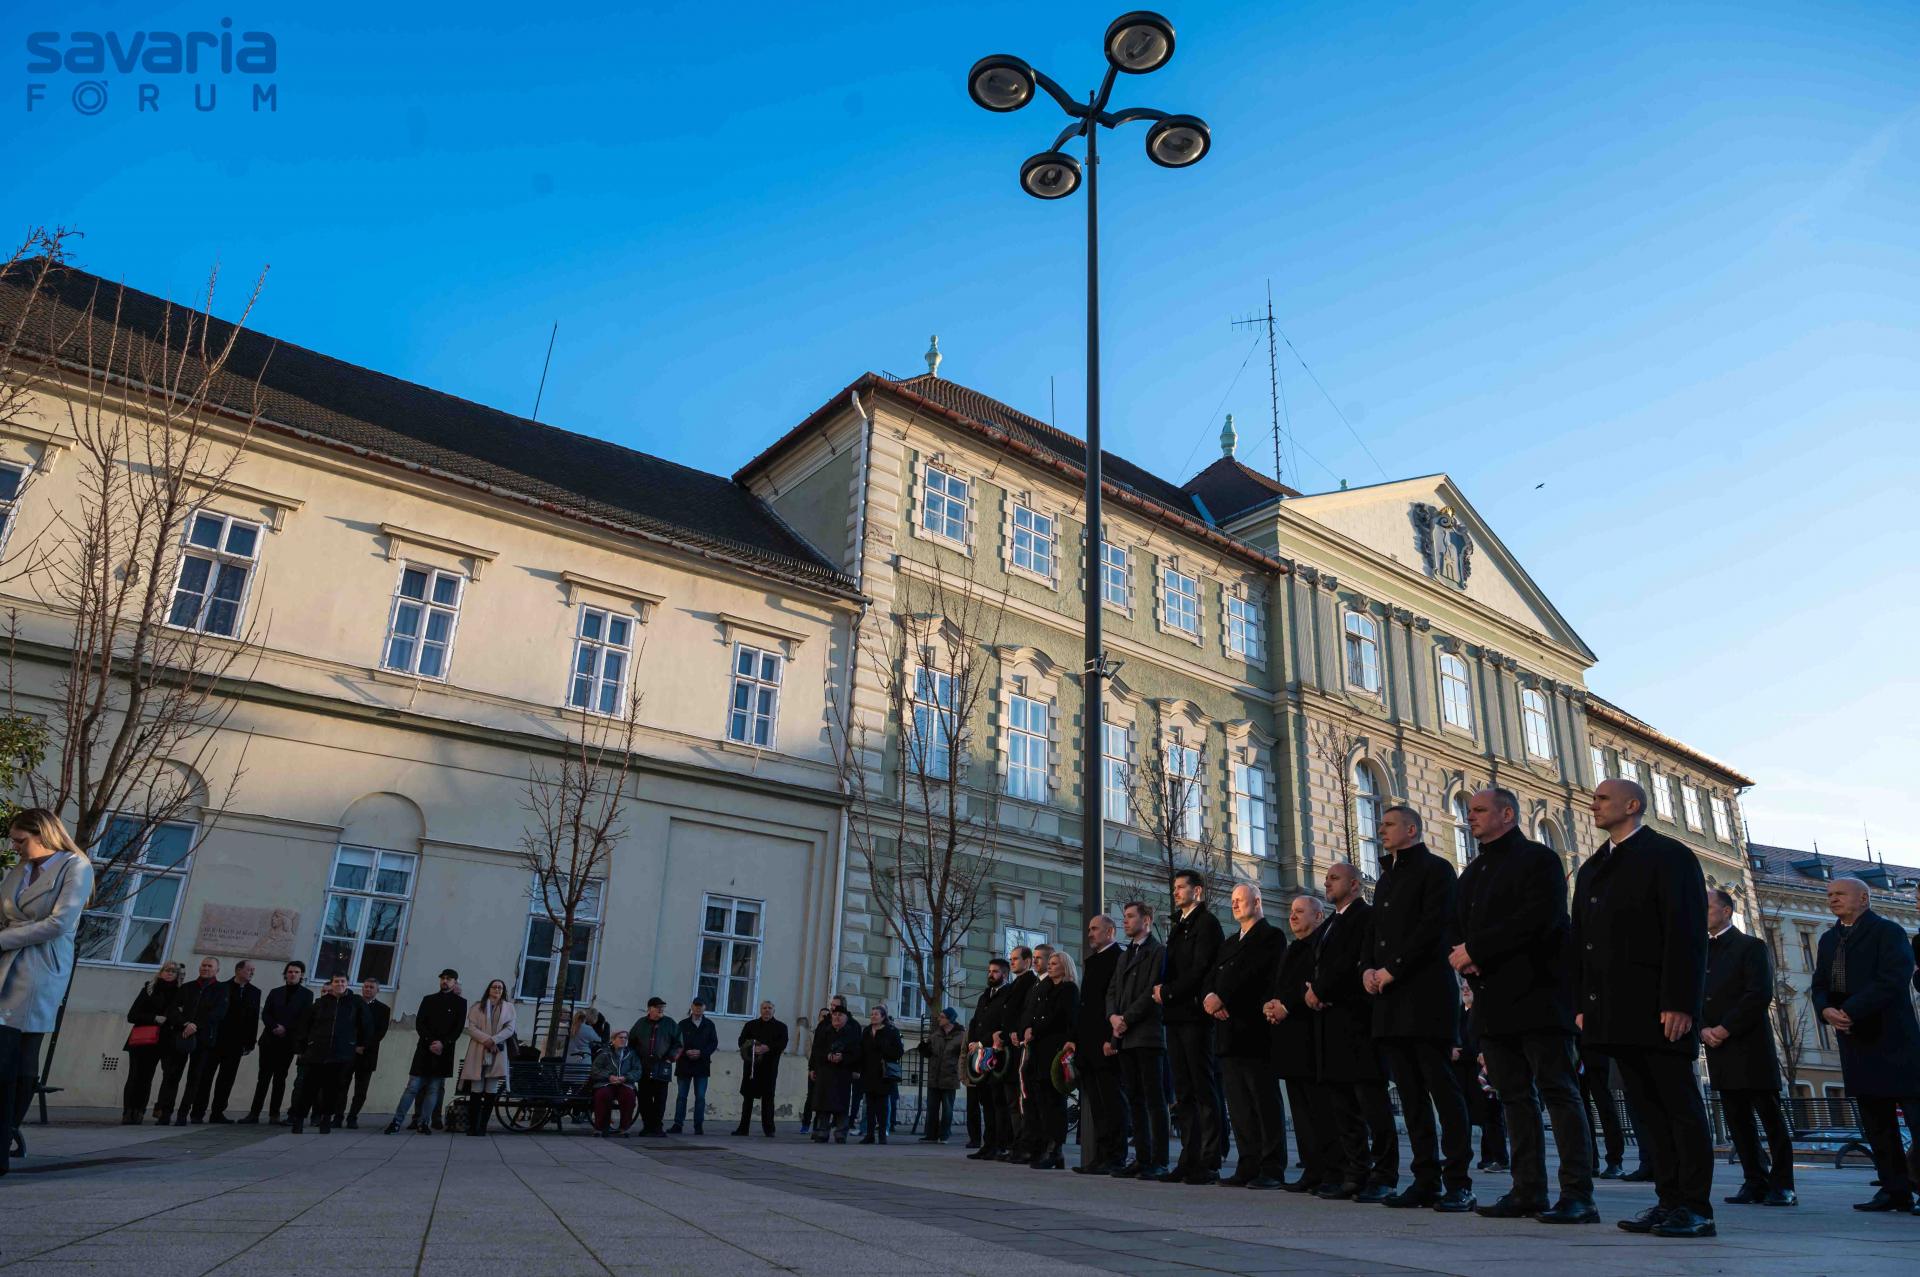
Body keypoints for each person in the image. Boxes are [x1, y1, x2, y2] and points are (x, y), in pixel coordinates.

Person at [1575, 779, 1714, 1239]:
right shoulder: (1594, 866)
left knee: (1679, 1106)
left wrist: (1679, 1001)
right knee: (1647, 1109)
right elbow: (1583, 941)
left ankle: (1695, 1207)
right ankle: (1668, 1200)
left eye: (1603, 798)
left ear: (1632, 805)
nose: (1594, 805)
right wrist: (1583, 1002)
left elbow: (1685, 932)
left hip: (1659, 1006)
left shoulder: (1669, 856)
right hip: (1614, 1010)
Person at [1452, 787, 1596, 1225]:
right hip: (1492, 1000)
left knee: (1559, 1091)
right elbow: (1455, 928)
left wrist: (1476, 950)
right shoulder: (1472, 873)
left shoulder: (1539, 859)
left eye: (1480, 810)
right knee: (1513, 1097)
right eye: (1469, 811)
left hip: (1539, 995)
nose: (1471, 816)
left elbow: (1540, 920)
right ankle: (1527, 1190)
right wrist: (1462, 955)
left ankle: (1577, 1194)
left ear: (1507, 815)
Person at [1364, 806, 1476, 1212]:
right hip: (1390, 1000)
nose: (1381, 829)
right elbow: (1375, 932)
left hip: (1426, 997)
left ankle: (1458, 1182)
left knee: (1442, 1090)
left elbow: (1433, 928)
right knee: (1410, 1095)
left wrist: (1392, 969)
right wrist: (1367, 969)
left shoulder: (1437, 870)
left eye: (1389, 824)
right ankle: (1425, 1179)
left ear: (1411, 829)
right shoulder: (1386, 878)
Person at [1810, 875, 1920, 1214]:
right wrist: (1825, 1009)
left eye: (1841, 894)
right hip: (1855, 1043)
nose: (1833, 899)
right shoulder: (1829, 939)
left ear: (1863, 899)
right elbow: (1819, 983)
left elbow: (1893, 979)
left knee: (1916, 1120)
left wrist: (1850, 1010)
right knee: (1876, 1123)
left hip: (1894, 1040)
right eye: (1830, 894)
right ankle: (1894, 1190)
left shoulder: (1888, 932)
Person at [0, 809, 93, 1171]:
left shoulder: (75, 866)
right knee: (9, 1051)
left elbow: (59, 923)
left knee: (19, 1048)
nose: (15, 847)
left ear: (42, 835)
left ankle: (8, 1129)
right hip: (7, 962)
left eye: (20, 840)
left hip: (41, 966)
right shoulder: (19, 870)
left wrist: (4, 938)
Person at [1309, 861, 1398, 1203]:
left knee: (1371, 1104)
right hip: (1331, 1023)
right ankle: (1355, 1171)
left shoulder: (1366, 916)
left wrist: (1321, 990)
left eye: (1335, 878)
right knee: (1343, 1106)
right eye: (1327, 878)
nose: (1327, 883)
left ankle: (1384, 1174)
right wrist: (1312, 990)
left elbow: (1352, 963)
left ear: (1355, 885)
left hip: (1359, 1024)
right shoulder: (1330, 923)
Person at [1702, 888, 1795, 1208]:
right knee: (1737, 1120)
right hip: (1717, 1046)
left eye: (1707, 907)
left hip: (1750, 1045)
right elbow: (1694, 994)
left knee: (1770, 1118)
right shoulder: (1700, 950)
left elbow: (1758, 994)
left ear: (1726, 911)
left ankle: (1783, 1184)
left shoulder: (1750, 946)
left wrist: (1724, 1028)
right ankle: (1754, 1179)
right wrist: (1703, 1028)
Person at [1205, 883, 1288, 1189]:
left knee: (1263, 1102)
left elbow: (1257, 976)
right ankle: (1248, 1163)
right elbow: (1212, 977)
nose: (1235, 904)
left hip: (1254, 1030)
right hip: (1227, 1033)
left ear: (1257, 901)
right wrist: (1209, 999)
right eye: (1232, 900)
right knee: (1239, 1106)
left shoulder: (1271, 936)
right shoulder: (1229, 943)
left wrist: (1223, 998)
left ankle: (1271, 1167)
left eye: (1240, 899)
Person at [1161, 869, 1226, 1185]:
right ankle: (1189, 1157)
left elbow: (1201, 968)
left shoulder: (1207, 924)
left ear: (1197, 891)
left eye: (1181, 887)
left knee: (1203, 1089)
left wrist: (1169, 991)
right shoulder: (1179, 926)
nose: (1175, 892)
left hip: (1196, 1016)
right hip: (1176, 1016)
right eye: (1174, 887)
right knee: (1184, 1091)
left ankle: (1209, 1160)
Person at [1267, 895, 1332, 1193]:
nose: (1292, 916)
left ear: (1318, 916)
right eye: (1292, 911)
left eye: (1300, 912)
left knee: (1319, 1108)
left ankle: (1327, 1169)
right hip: (1290, 1038)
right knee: (1301, 1109)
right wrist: (1272, 1004)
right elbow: (1282, 985)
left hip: (1313, 1036)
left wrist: (1286, 1005)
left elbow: (1310, 986)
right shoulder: (1292, 948)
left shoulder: (1320, 946)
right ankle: (1311, 1168)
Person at [1108, 900, 1170, 1181]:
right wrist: (1113, 1017)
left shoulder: (1158, 951)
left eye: (1131, 916)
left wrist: (1126, 1018)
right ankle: (1142, 1157)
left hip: (1147, 1035)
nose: (1125, 921)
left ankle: (1159, 1160)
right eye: (1125, 916)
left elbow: (1151, 992)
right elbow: (1112, 991)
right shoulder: (1125, 955)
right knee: (1134, 1098)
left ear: (1146, 920)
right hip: (1125, 1036)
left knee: (1154, 1099)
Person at [1070, 914, 1124, 1173]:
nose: (1090, 933)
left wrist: (1111, 1039)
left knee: (1111, 1102)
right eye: (1089, 929)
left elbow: (1115, 1001)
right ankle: (1101, 1156)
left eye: (1095, 929)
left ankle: (1115, 1156)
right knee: (1096, 1105)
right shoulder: (1093, 961)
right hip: (1088, 1045)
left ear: (1110, 931)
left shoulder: (1118, 959)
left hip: (1106, 1044)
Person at [288, 973, 370, 1135]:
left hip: (340, 1054)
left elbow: (366, 1025)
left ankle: (326, 1120)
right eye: (336, 981)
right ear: (332, 984)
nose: (340, 984)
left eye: (342, 981)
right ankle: (299, 1120)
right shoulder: (320, 1003)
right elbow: (306, 1025)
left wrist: (359, 1044)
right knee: (308, 1088)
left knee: (332, 1090)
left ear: (347, 983)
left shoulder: (355, 1003)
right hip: (317, 1053)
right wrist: (302, 1047)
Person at [387, 968, 466, 1135]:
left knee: (433, 1089)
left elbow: (458, 1028)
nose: (445, 981)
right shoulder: (429, 999)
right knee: (412, 1087)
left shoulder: (460, 1003)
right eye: (443, 978)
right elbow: (420, 1023)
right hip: (425, 1049)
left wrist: (443, 1043)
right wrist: (431, 1042)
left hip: (444, 1052)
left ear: (455, 982)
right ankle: (397, 1121)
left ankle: (424, 1122)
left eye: (449, 979)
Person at [1023, 950, 1078, 1169]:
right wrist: (1029, 1028)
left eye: (1055, 963)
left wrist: (1034, 1029)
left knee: (1054, 1101)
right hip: (1039, 1047)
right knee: (1042, 1100)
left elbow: (1059, 1018)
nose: (1050, 966)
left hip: (1054, 1047)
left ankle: (1056, 1149)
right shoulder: (1046, 989)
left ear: (1065, 967)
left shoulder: (1069, 989)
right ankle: (1045, 1146)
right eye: (1050, 963)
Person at [244, 961, 312, 1125]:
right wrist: (275, 1026)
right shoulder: (275, 992)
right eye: (290, 972)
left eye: (296, 972)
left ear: (301, 975)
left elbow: (304, 1018)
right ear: (285, 974)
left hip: (288, 1042)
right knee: (263, 1078)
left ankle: (274, 1114)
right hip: (269, 1040)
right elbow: (266, 1013)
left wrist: (285, 1028)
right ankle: (254, 1113)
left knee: (280, 1079)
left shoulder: (306, 995)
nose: (293, 974)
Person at [121, 961, 184, 1125]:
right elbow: (132, 1015)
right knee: (135, 1076)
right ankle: (128, 1111)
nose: (169, 973)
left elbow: (179, 1016)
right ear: (161, 972)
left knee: (147, 1078)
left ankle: (139, 1111)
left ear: (178, 976)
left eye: (173, 971)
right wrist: (154, 1018)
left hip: (164, 1041)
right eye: (167, 970)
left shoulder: (180, 993)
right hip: (143, 1040)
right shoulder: (149, 989)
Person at [169, 956, 230, 1124]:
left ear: (217, 970)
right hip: (182, 1036)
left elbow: (218, 1013)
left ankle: (183, 1115)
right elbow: (173, 1009)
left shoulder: (221, 990)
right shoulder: (187, 987)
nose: (206, 968)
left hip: (203, 1039)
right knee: (173, 1076)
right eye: (203, 965)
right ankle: (166, 1113)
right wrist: (185, 1023)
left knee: (194, 1078)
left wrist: (196, 1025)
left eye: (210, 966)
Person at [1453, 984, 1507, 1172]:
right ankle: (1460, 1156)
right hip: (1462, 1074)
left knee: (1490, 1115)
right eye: (1463, 987)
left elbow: (1478, 1045)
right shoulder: (1459, 1013)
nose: (1465, 990)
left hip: (1482, 1072)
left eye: (1469, 987)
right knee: (1461, 1116)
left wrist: (1461, 1053)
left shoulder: (1484, 1012)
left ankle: (1497, 1157)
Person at [992, 945, 1038, 1163]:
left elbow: (1024, 1013)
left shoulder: (1030, 983)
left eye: (1016, 959)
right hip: (1008, 1047)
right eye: (1010, 959)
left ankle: (1023, 1146)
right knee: (1011, 1100)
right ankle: (1015, 1144)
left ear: (1027, 961)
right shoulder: (1014, 984)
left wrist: (1012, 1032)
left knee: (1020, 1101)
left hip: (1019, 1046)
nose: (1012, 962)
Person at [967, 959, 1015, 1160]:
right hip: (980, 1054)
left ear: (1004, 974)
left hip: (997, 1054)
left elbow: (1002, 1025)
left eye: (995, 971)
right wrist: (973, 1041)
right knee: (985, 1100)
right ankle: (988, 1144)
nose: (990, 974)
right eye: (989, 971)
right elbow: (975, 1021)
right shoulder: (985, 996)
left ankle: (1000, 1144)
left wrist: (983, 1041)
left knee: (998, 1101)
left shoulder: (1009, 994)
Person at [459, 978, 515, 1136]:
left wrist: (494, 1040)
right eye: (494, 987)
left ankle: (483, 1126)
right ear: (489, 989)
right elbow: (471, 1028)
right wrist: (487, 1041)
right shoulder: (478, 1006)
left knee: (491, 1090)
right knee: (476, 1089)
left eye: (500, 987)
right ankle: (472, 1126)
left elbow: (510, 1029)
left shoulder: (509, 1008)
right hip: (478, 1049)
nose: (497, 989)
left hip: (497, 1052)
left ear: (503, 991)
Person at [332, 978, 390, 1129]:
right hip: (348, 1052)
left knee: (361, 1090)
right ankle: (338, 1117)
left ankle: (352, 1117)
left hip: (367, 1054)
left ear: (377, 990)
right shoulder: (351, 1004)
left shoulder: (383, 1009)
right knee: (341, 1086)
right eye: (365, 986)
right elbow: (345, 1026)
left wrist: (364, 1046)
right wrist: (353, 1045)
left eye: (371, 987)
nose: (368, 989)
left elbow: (380, 1032)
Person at [206, 960, 260, 1123]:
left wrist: (250, 1042)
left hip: (236, 1043)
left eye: (253, 970)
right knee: (206, 1076)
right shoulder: (222, 987)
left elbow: (253, 1019)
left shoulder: (254, 992)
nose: (252, 972)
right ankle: (198, 1111)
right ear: (238, 970)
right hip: (217, 1040)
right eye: (249, 969)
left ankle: (217, 1112)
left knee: (226, 1079)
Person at [808, 1005, 861, 1143]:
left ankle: (841, 1133)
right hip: (825, 1072)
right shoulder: (825, 1031)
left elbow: (856, 1052)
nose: (837, 1017)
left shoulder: (851, 1033)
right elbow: (816, 1050)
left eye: (840, 1015)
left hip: (843, 1073)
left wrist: (843, 1057)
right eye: (835, 1014)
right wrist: (824, 1058)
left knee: (841, 1105)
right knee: (823, 1104)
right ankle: (822, 1132)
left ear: (846, 1018)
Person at [734, 1000, 789, 1137]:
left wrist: (768, 1047)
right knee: (748, 1098)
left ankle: (769, 1129)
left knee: (768, 1098)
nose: (767, 1010)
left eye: (769, 1008)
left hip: (769, 1068)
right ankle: (743, 1128)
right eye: (764, 1008)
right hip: (752, 1067)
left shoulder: (781, 1027)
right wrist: (752, 1047)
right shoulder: (750, 1025)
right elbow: (741, 1041)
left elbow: (782, 1043)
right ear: (760, 1010)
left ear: (774, 1010)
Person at [629, 997, 681, 1136]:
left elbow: (678, 1043)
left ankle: (657, 1127)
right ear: (650, 1009)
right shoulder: (641, 1024)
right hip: (644, 1066)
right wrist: (634, 1061)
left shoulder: (670, 1023)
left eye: (662, 1008)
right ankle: (647, 1126)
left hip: (662, 1066)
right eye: (658, 1007)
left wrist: (670, 1058)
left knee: (660, 1098)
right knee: (644, 1098)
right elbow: (631, 1043)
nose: (661, 1010)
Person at [670, 998, 719, 1135]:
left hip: (702, 1065)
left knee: (700, 1097)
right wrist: (685, 1052)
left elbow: (713, 1043)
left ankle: (698, 1125)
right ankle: (678, 1124)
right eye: (696, 1006)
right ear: (691, 1007)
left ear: (704, 1008)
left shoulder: (709, 1024)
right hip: (684, 1064)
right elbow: (676, 1042)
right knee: (681, 1096)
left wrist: (701, 1052)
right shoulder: (683, 1024)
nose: (698, 1009)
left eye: (700, 1006)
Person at [918, 1006, 964, 1144]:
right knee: (932, 1107)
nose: (939, 1019)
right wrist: (924, 1049)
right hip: (934, 1076)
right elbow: (930, 1053)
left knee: (947, 1108)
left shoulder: (961, 1036)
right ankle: (931, 1134)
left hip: (950, 1076)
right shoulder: (935, 1034)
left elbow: (963, 1055)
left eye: (942, 1017)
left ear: (950, 1019)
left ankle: (944, 1134)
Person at [859, 1004, 904, 1144]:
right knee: (869, 1106)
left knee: (882, 1106)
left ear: (883, 1017)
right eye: (872, 1014)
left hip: (884, 1074)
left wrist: (884, 1048)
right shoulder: (867, 1031)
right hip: (868, 1072)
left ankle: (882, 1134)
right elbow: (861, 1051)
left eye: (876, 1014)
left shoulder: (891, 1031)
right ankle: (869, 1134)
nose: (873, 1016)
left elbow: (898, 1052)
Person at [589, 1027, 640, 1136]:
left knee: (629, 1095)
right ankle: (600, 1127)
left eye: (625, 1038)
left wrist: (625, 1078)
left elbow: (637, 1070)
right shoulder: (604, 1053)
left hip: (624, 1083)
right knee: (603, 1094)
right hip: (606, 1083)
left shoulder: (631, 1054)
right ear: (613, 1039)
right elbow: (595, 1070)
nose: (623, 1040)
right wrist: (609, 1077)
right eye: (620, 1037)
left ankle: (624, 1127)